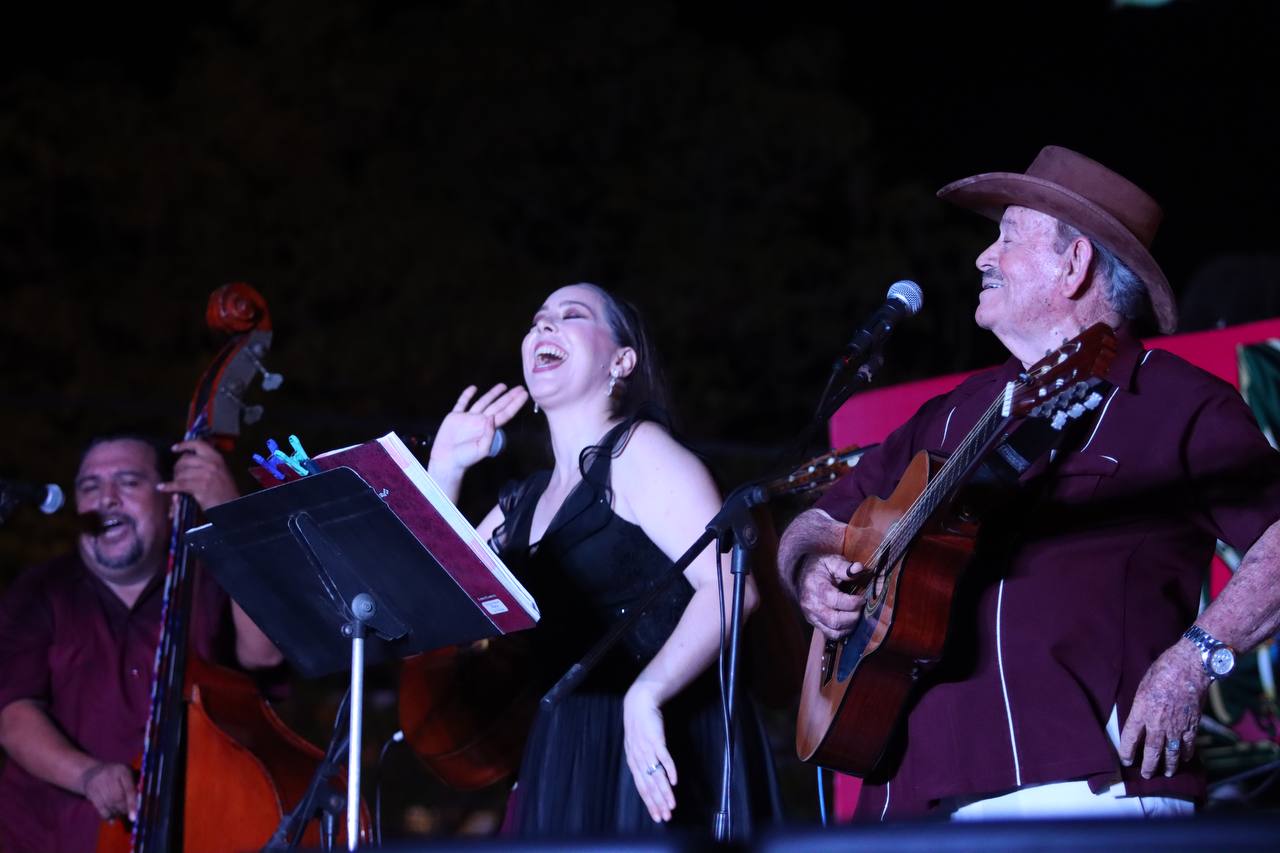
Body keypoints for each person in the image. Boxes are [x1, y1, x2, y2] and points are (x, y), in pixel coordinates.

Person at [777, 146, 1280, 820]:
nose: (984, 257)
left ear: (1074, 266)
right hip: (904, 799)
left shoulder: (1177, 401)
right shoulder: (952, 411)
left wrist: (1194, 660)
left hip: (1081, 789)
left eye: (1008, 236)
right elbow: (818, 521)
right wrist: (809, 569)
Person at [427, 282, 779, 837]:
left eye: (571, 316)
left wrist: (647, 693)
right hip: (561, 748)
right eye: (538, 318)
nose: (545, 326)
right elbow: (435, 606)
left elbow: (733, 586)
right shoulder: (521, 503)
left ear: (621, 360)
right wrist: (444, 469)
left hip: (660, 732)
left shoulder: (640, 453)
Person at [0, 435, 283, 852]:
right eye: (90, 487)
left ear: (171, 502)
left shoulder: (213, 578)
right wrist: (87, 774)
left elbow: (265, 654)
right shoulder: (41, 591)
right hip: (48, 837)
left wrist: (227, 515)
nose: (107, 499)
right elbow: (13, 714)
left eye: (128, 482)